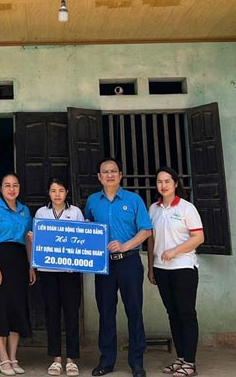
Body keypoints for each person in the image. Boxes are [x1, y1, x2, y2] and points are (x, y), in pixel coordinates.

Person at [85, 158, 153, 377]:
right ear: (99, 177)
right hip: (104, 265)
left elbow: (146, 231)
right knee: (106, 312)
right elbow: (86, 228)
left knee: (134, 311)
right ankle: (106, 361)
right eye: (105, 171)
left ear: (120, 175)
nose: (110, 175)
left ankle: (136, 362)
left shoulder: (134, 200)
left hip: (129, 261)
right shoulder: (93, 201)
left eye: (114, 171)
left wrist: (125, 245)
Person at [146, 167, 204, 377]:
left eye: (167, 181)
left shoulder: (187, 208)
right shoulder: (154, 209)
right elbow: (151, 240)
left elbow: (198, 237)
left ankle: (190, 362)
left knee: (186, 314)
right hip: (162, 270)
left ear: (175, 183)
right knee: (172, 314)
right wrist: (151, 267)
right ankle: (180, 358)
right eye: (159, 181)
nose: (163, 185)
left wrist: (175, 251)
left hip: (184, 268)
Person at [0, 173, 35, 376]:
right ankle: (2, 358)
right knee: (0, 308)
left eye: (15, 185)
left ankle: (13, 357)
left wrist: (31, 265)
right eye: (7, 185)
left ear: (19, 188)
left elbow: (28, 240)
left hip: (20, 262)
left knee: (17, 308)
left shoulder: (24, 211)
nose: (11, 189)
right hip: (0, 261)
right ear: (1, 188)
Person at [34, 178, 84, 377]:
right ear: (48, 192)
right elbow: (38, 241)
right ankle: (56, 358)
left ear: (67, 192)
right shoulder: (41, 213)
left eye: (61, 190)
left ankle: (71, 359)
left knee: (72, 315)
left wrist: (76, 261)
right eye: (53, 190)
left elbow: (82, 240)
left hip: (70, 273)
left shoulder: (76, 212)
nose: (57, 194)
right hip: (48, 273)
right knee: (52, 314)